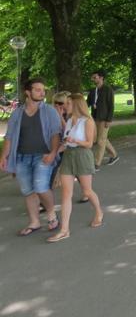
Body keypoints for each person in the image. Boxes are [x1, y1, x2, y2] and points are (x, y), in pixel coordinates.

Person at [0, 77, 61, 236]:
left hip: (43, 156)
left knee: (40, 186)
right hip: (22, 157)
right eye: (38, 90)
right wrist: (4, 157)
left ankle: (51, 214)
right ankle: (34, 222)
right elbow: (9, 137)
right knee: (28, 190)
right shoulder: (17, 113)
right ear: (28, 92)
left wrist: (53, 153)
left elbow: (56, 135)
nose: (42, 93)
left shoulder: (49, 111)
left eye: (43, 90)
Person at [47, 93, 103, 242]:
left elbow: (89, 144)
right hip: (68, 156)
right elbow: (65, 143)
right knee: (66, 194)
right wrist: (52, 155)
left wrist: (75, 140)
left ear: (77, 105)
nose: (65, 106)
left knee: (87, 191)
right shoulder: (70, 120)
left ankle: (98, 212)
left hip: (83, 156)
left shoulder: (87, 121)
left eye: (68, 104)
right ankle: (64, 230)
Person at [86, 69, 117, 168]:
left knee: (100, 141)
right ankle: (114, 155)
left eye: (95, 77)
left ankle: (97, 163)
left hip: (104, 119)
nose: (93, 79)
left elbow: (111, 106)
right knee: (102, 139)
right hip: (95, 118)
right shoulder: (92, 91)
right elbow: (87, 103)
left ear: (101, 77)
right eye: (92, 77)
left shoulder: (108, 90)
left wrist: (109, 120)